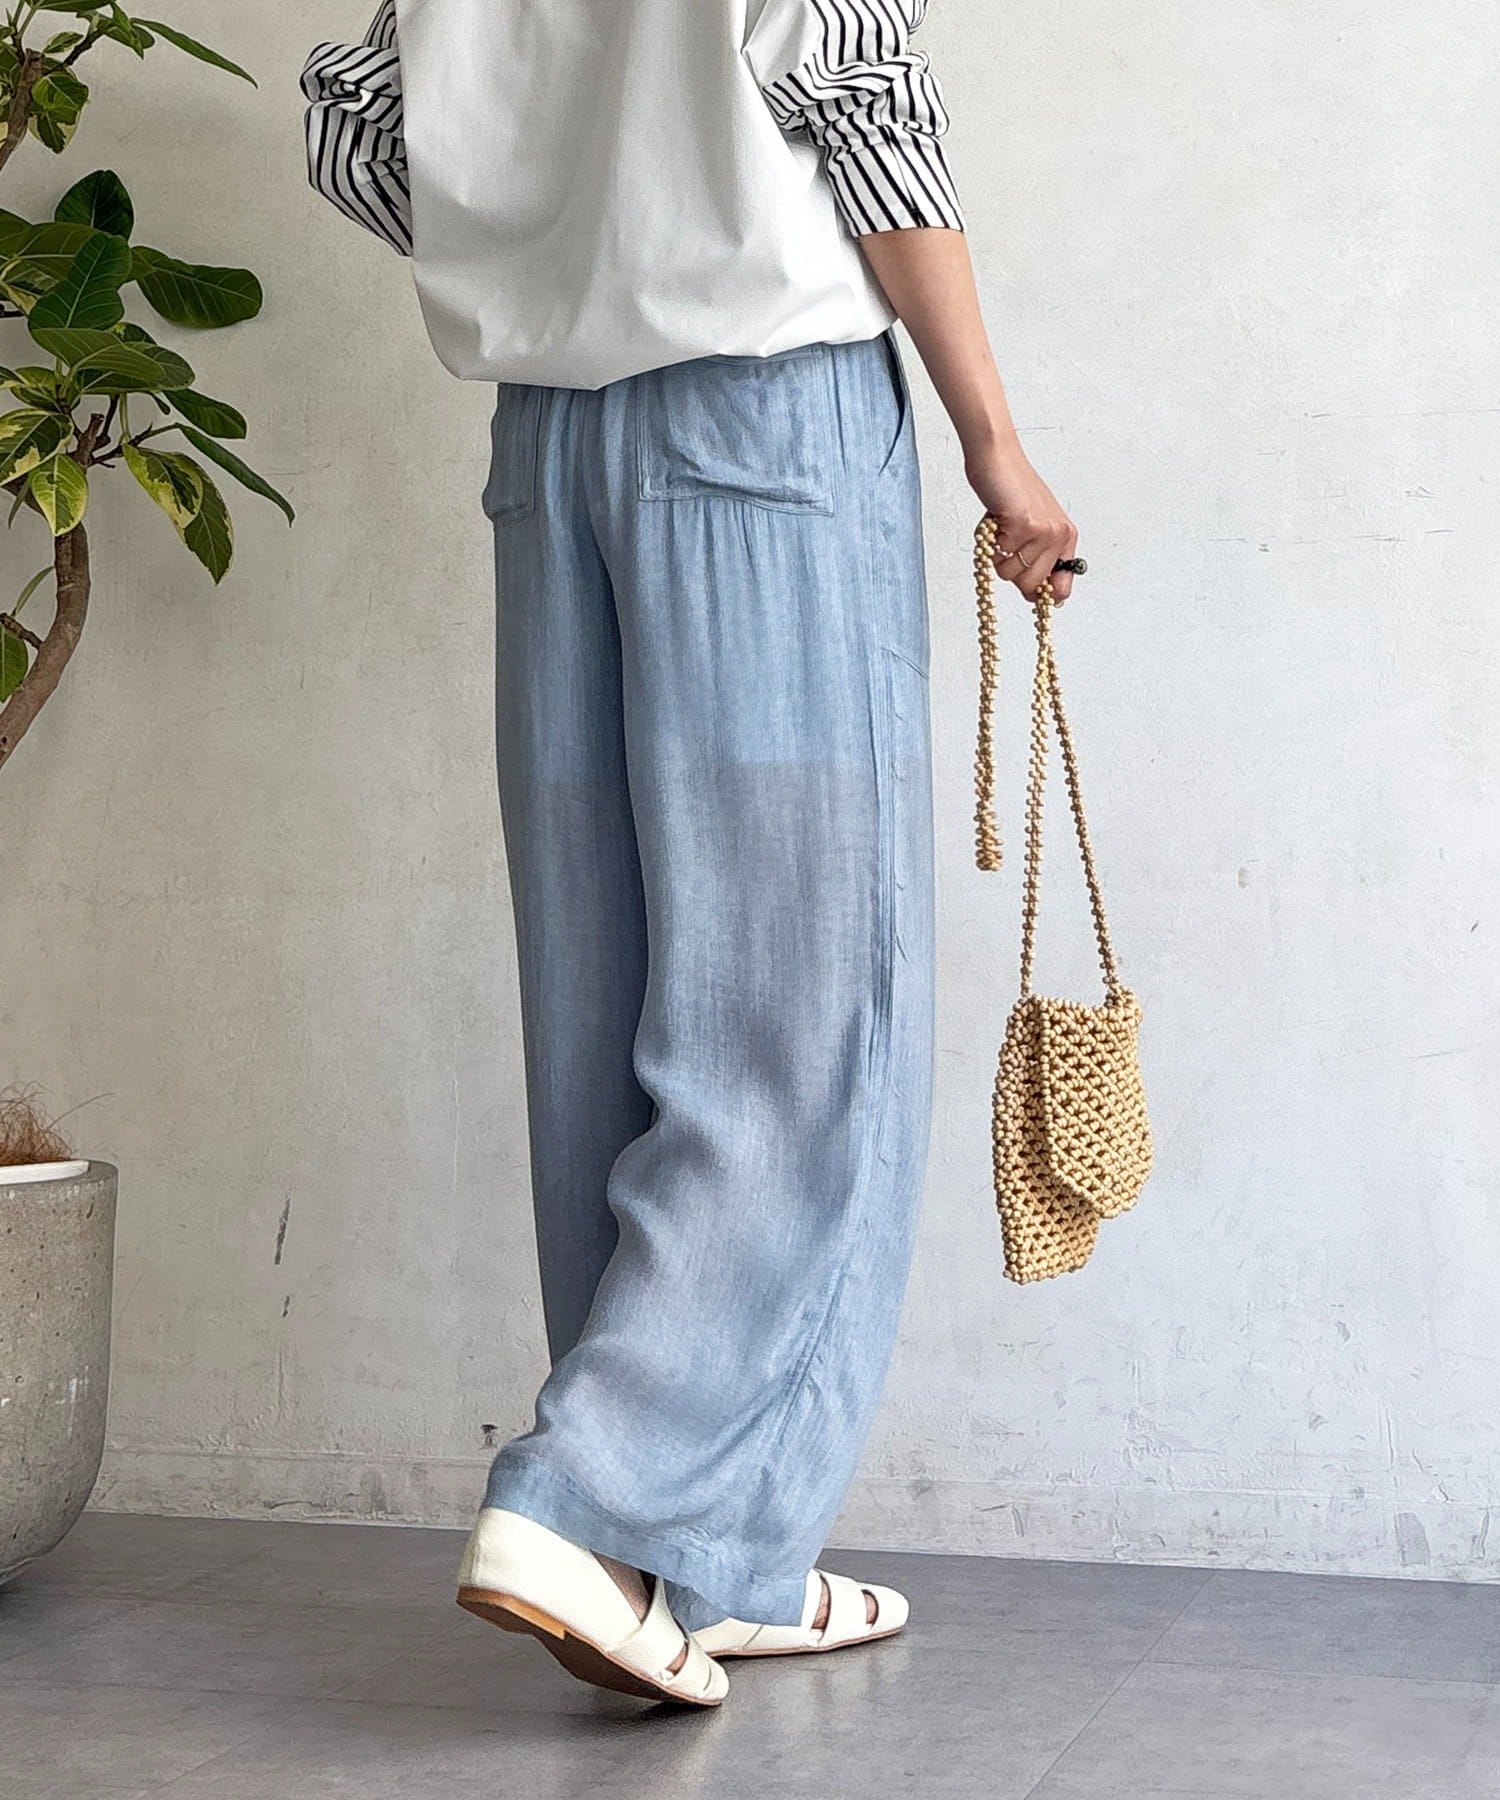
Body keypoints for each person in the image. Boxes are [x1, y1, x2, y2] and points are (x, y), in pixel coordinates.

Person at [302, 0, 1077, 1709]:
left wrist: (560, 245)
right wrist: (996, 447)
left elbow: (348, 122)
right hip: (766, 429)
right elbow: (871, 115)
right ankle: (596, 1505)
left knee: (608, 998)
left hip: (549, 444)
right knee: (801, 1014)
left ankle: (693, 1564)